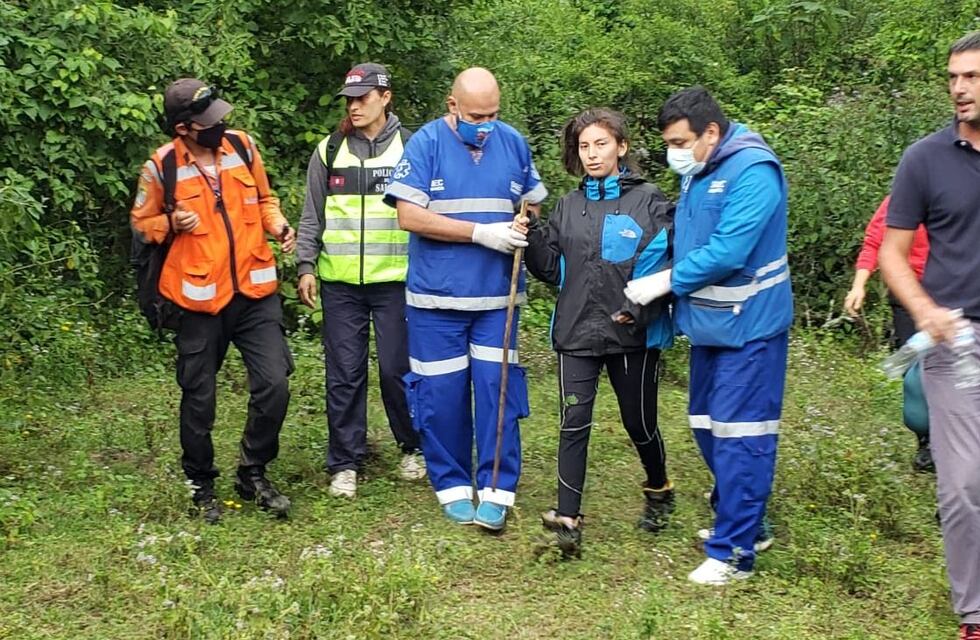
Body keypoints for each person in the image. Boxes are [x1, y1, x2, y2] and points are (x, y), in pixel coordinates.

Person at [626, 86, 792, 585]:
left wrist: (665, 281)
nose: (674, 153)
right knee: (706, 425)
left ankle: (734, 553)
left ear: (712, 132)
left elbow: (728, 251)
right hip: (709, 327)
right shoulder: (702, 170)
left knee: (743, 437)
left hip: (752, 328)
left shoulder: (753, 171)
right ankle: (749, 520)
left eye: (681, 142)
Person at [383, 67, 547, 531]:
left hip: (498, 299)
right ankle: (452, 486)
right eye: (477, 115)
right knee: (441, 396)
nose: (486, 124)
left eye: (494, 114)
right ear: (452, 106)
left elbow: (531, 202)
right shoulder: (426, 145)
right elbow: (410, 217)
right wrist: (480, 233)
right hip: (436, 301)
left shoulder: (512, 142)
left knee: (498, 394)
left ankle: (497, 489)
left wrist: (521, 224)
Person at [130, 78, 295, 523]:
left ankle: (253, 470)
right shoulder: (160, 167)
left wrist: (278, 225)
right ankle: (200, 483)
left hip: (255, 292)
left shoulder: (242, 147)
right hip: (198, 301)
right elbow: (142, 226)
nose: (221, 124)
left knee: (275, 383)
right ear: (184, 128)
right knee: (199, 398)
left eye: (220, 115)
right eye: (208, 122)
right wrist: (170, 221)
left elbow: (265, 199)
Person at [522, 108, 674, 557]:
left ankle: (659, 487)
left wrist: (636, 307)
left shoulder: (649, 201)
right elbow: (552, 269)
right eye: (584, 146)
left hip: (631, 333)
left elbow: (664, 261)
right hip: (575, 332)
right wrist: (530, 232)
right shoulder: (568, 206)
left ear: (622, 147)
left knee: (639, 423)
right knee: (573, 422)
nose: (592, 154)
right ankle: (568, 520)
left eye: (601, 144)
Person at [880, 31, 980, 640]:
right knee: (964, 483)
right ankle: (975, 613)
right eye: (953, 78)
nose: (960, 89)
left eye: (971, 77)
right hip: (955, 342)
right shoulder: (923, 159)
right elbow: (893, 253)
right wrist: (923, 308)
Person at [296, 63, 423, 499]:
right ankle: (345, 463)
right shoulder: (329, 151)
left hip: (397, 283)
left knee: (396, 370)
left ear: (385, 98)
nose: (354, 106)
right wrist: (305, 266)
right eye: (349, 99)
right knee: (344, 374)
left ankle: (413, 447)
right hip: (340, 284)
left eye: (363, 98)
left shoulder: (413, 149)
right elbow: (311, 215)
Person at [844, 194, 933, 472]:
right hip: (908, 295)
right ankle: (926, 442)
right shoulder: (900, 200)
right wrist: (858, 286)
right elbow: (874, 242)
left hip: (954, 295)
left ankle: (952, 444)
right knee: (917, 373)